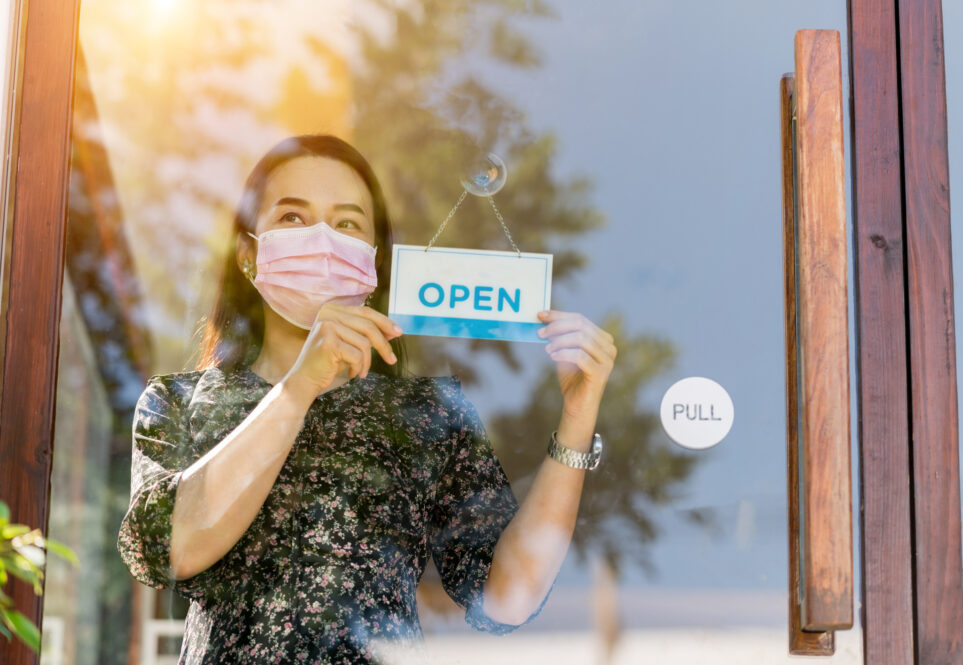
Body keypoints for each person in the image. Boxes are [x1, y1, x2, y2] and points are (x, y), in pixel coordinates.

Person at [117, 135, 617, 664]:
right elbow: (172, 548)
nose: (322, 239)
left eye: (347, 223)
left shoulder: (426, 413)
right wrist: (300, 384)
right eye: (293, 218)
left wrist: (578, 418)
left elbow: (507, 597)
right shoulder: (178, 400)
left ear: (373, 264)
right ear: (247, 255)